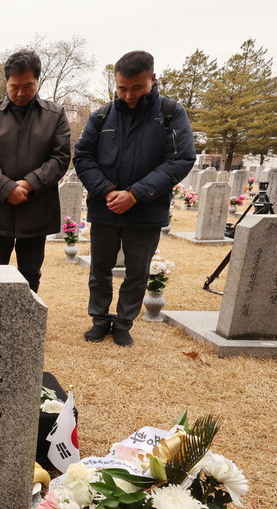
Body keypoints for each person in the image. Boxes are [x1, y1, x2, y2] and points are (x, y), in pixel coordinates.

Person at [73, 50, 195, 347]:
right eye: (122, 88)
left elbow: (181, 159)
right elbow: (83, 156)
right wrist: (107, 190)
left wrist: (136, 194)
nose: (128, 95)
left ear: (152, 79)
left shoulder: (170, 113)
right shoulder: (102, 116)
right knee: (99, 268)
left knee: (137, 271)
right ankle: (100, 319)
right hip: (106, 207)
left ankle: (124, 322)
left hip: (146, 210)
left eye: (137, 87)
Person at [0, 49, 71, 294]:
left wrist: (27, 184)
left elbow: (60, 158)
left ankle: (26, 324)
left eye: (27, 86)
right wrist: (8, 189)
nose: (19, 93)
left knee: (30, 272)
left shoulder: (55, 115)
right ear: (6, 82)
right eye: (13, 86)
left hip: (36, 204)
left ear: (38, 80)